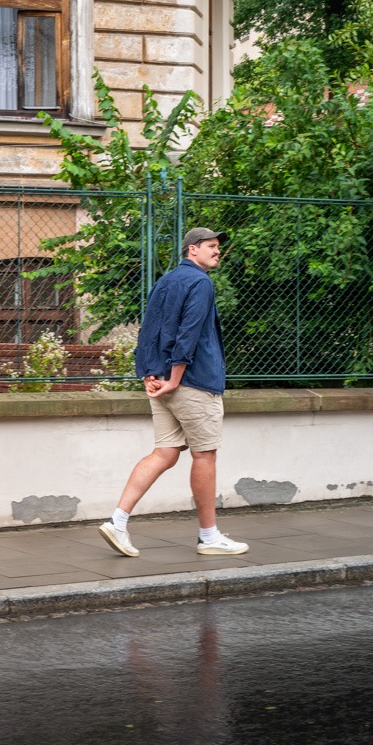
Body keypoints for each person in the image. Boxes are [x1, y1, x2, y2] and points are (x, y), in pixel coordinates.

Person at [100, 229, 251, 560]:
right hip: (193, 383)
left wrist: (150, 373)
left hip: (163, 382)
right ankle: (209, 536)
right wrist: (176, 376)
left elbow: (149, 328)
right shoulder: (200, 283)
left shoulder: (166, 281)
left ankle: (117, 521)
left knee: (165, 453)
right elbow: (189, 334)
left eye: (218, 247)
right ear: (192, 250)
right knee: (204, 454)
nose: (218, 252)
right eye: (212, 247)